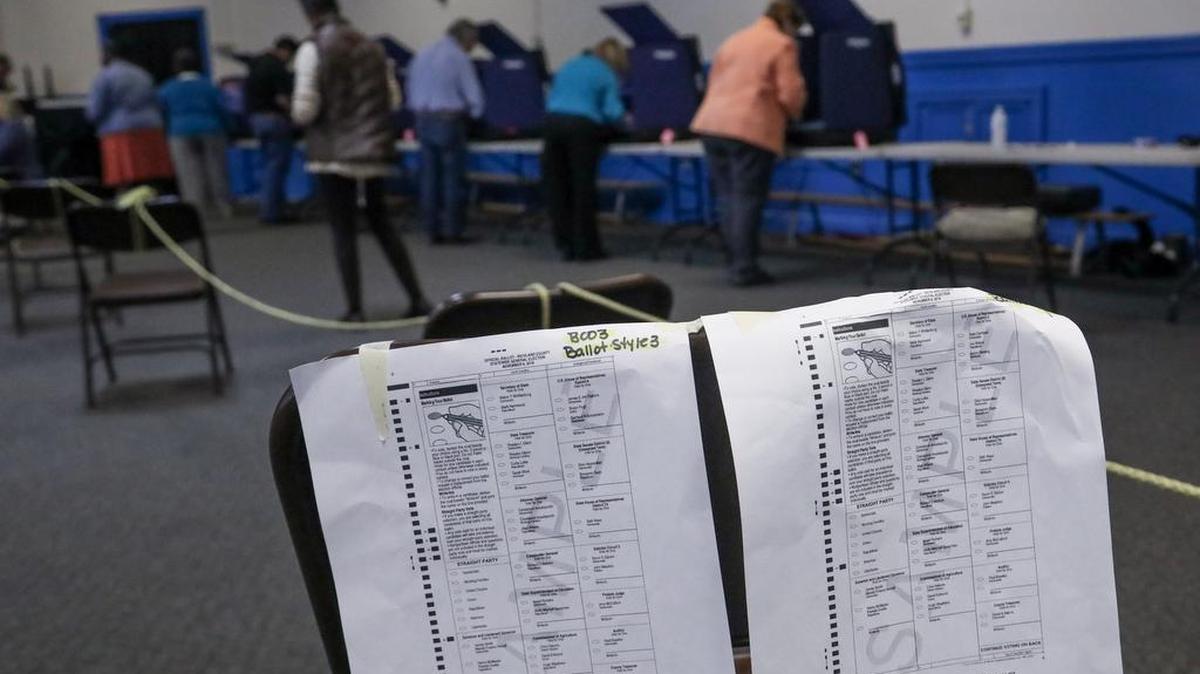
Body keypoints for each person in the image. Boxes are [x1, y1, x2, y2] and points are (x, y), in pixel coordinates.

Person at [292, 0, 430, 322]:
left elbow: (305, 109)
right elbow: (393, 98)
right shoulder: (372, 46)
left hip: (333, 155)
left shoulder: (312, 48)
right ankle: (418, 298)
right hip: (374, 151)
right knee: (383, 224)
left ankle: (355, 309)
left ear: (309, 13)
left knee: (343, 231)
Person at [691, 1, 807, 287]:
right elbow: (790, 92)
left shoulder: (734, 39)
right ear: (790, 23)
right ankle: (744, 268)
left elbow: (714, 81)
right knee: (746, 199)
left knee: (727, 198)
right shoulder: (781, 44)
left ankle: (734, 261)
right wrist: (797, 115)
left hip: (711, 123)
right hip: (749, 125)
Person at [541, 38, 628, 261]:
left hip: (552, 125)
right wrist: (631, 124)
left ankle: (565, 244)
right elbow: (612, 112)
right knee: (583, 190)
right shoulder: (606, 73)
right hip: (582, 129)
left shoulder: (570, 64)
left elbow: (553, 95)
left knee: (558, 188)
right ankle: (587, 248)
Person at [407, 19, 484, 245]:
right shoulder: (458, 57)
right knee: (452, 179)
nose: (473, 48)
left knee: (429, 179)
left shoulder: (422, 53)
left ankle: (432, 229)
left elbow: (410, 88)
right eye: (474, 43)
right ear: (467, 39)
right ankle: (453, 231)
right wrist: (478, 116)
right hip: (449, 121)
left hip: (422, 120)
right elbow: (473, 94)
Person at [86, 39, 174, 190]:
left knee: (124, 180)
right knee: (151, 177)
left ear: (108, 54)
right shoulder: (142, 74)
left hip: (120, 133)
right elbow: (156, 102)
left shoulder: (105, 76)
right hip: (152, 131)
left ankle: (128, 211)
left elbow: (95, 111)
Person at [158, 48, 233, 219]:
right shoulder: (209, 86)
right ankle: (223, 205)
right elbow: (222, 109)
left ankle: (194, 208)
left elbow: (161, 111)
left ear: (176, 67)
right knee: (217, 168)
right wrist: (229, 128)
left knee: (188, 172)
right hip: (211, 129)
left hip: (180, 131)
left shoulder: (168, 88)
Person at [245, 36, 299, 224]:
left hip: (256, 120)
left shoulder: (256, 64)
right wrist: (296, 115)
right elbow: (283, 99)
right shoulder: (277, 68)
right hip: (274, 120)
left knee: (267, 166)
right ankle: (272, 212)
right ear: (286, 51)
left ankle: (272, 208)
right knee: (276, 168)